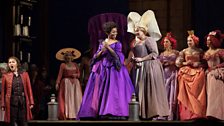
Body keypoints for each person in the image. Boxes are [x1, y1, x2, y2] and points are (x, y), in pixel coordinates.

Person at [77, 21, 134, 120]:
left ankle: (115, 111)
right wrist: (102, 50)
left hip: (114, 69)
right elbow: (97, 55)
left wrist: (108, 47)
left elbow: (117, 56)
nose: (115, 34)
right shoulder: (103, 42)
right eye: (113, 32)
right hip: (104, 68)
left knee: (114, 90)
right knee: (103, 90)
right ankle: (102, 110)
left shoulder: (118, 43)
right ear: (108, 32)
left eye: (116, 32)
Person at [127, 10, 169, 120]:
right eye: (135, 31)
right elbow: (134, 53)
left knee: (147, 89)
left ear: (144, 31)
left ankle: (150, 112)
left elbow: (155, 54)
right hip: (138, 68)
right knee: (138, 89)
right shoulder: (135, 42)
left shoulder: (149, 40)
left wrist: (142, 59)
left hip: (149, 67)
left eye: (138, 31)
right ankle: (140, 113)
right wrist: (132, 60)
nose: (136, 33)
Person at [175, 30, 206, 120]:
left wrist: (198, 64)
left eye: (190, 41)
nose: (189, 42)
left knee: (199, 81)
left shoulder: (200, 51)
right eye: (188, 41)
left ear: (195, 41)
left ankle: (197, 113)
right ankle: (186, 114)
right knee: (183, 83)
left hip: (197, 72)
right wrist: (185, 63)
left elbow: (205, 63)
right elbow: (177, 63)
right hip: (186, 72)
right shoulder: (184, 51)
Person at [1, 56, 34, 126]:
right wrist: (3, 104)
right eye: (9, 62)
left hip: (22, 102)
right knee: (13, 122)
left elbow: (29, 89)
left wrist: (31, 102)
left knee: (23, 122)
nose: (11, 64)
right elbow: (3, 92)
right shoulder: (5, 76)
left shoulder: (24, 74)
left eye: (13, 62)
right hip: (11, 102)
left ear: (17, 64)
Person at [55, 48, 82, 120]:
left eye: (69, 55)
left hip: (75, 84)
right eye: (67, 56)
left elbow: (79, 74)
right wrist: (57, 83)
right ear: (65, 57)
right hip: (66, 83)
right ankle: (68, 114)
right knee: (68, 99)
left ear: (72, 57)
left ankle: (76, 114)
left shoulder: (75, 64)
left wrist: (76, 75)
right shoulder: (63, 65)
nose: (68, 57)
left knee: (75, 99)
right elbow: (60, 75)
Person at [203, 30, 224, 120]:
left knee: (217, 94)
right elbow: (204, 64)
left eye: (209, 40)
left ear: (213, 41)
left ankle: (218, 114)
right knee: (210, 94)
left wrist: (216, 67)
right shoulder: (205, 52)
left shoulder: (220, 51)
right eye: (207, 40)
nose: (207, 42)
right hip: (209, 74)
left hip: (217, 73)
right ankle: (211, 114)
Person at [159, 32, 179, 120]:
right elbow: (159, 64)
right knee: (164, 92)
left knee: (172, 93)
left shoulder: (176, 52)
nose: (165, 43)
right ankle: (163, 113)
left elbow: (179, 62)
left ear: (171, 43)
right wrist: (162, 63)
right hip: (164, 73)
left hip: (173, 73)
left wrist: (173, 62)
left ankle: (171, 113)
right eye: (164, 42)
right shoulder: (162, 54)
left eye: (166, 42)